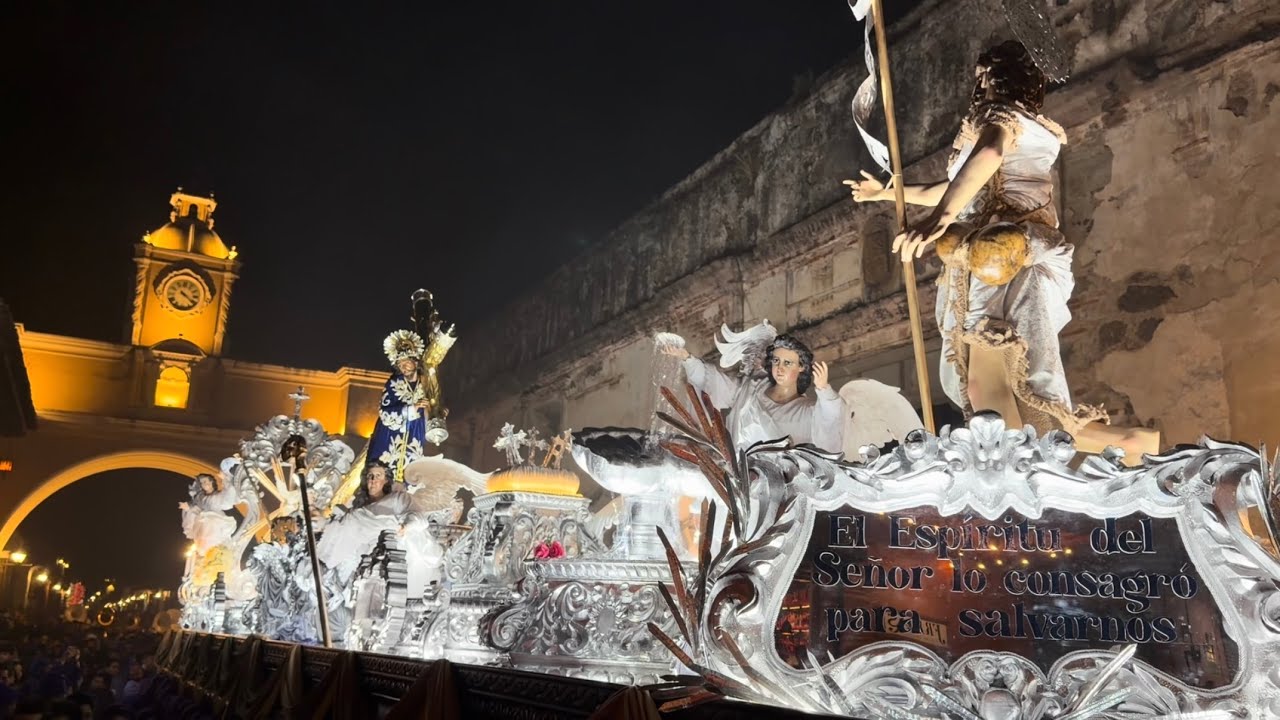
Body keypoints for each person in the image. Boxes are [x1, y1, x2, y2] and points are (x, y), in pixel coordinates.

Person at [846, 40, 1157, 459]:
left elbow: (990, 155)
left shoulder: (1003, 118)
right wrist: (887, 192)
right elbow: (954, 185)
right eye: (980, 77)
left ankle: (1014, 476)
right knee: (996, 392)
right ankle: (1122, 443)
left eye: (987, 75)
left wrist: (940, 218)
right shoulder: (987, 126)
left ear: (1006, 77)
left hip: (1007, 253)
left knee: (989, 388)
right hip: (981, 257)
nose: (981, 84)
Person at [663, 329, 847, 453]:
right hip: (741, 484)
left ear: (801, 367)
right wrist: (687, 358)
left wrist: (824, 389)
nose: (780, 368)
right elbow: (715, 382)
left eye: (787, 363)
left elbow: (831, 420)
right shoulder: (749, 391)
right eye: (776, 361)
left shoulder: (807, 412)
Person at [367, 331, 433, 482]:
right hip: (392, 436)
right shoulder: (393, 384)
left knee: (411, 475)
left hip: (415, 434)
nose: (404, 367)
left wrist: (436, 413)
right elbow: (384, 412)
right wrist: (411, 409)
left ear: (415, 362)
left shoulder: (426, 385)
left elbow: (432, 408)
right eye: (400, 365)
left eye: (406, 363)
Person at [178, 473, 237, 555]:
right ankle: (205, 555)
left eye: (205, 481)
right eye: (202, 483)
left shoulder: (218, 495)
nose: (204, 484)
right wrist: (187, 507)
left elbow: (229, 494)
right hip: (202, 521)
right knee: (202, 541)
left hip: (215, 520)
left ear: (211, 482)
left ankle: (214, 554)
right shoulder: (200, 497)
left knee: (212, 539)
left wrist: (225, 479)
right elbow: (195, 506)